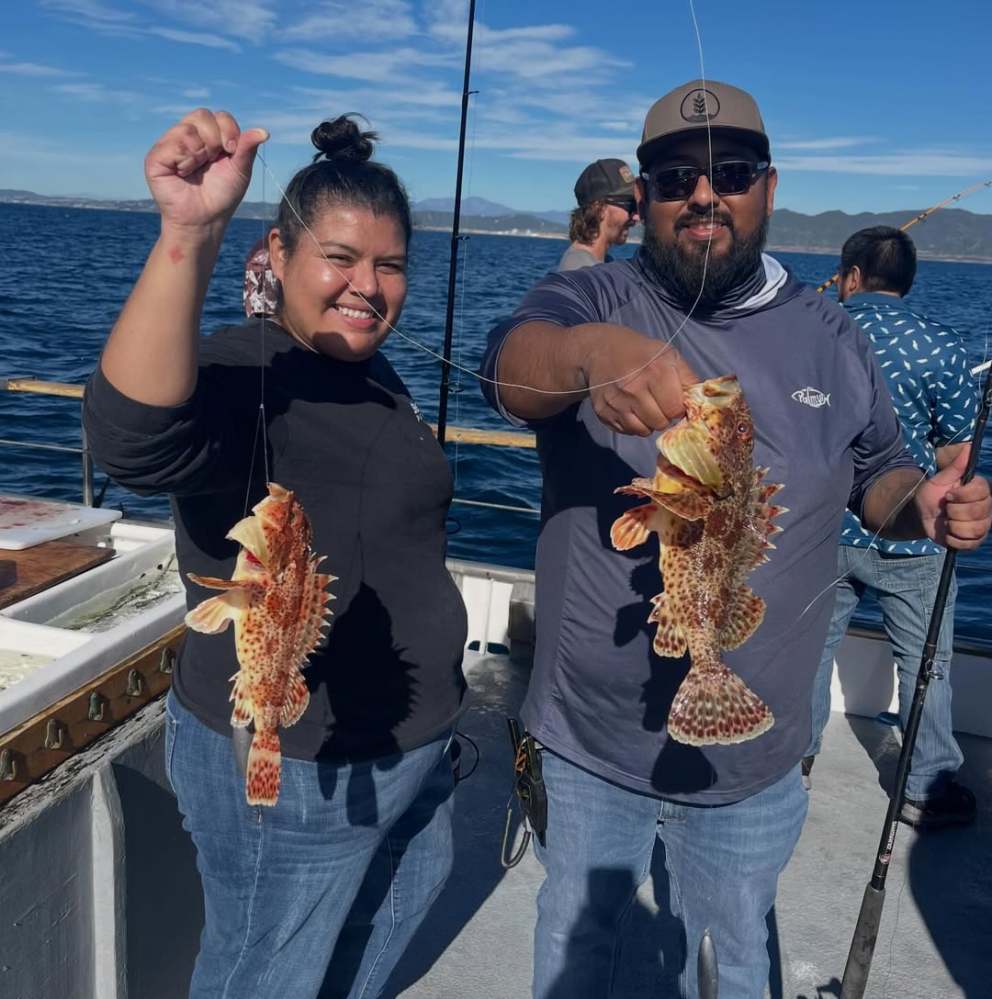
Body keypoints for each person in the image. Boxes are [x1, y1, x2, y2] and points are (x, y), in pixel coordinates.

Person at [479, 79, 992, 999]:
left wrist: (925, 504)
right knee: (581, 957)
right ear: (643, 198)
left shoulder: (832, 332)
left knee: (737, 958)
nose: (704, 193)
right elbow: (511, 366)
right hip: (589, 744)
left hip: (756, 756)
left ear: (767, 184)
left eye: (732, 171)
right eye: (677, 177)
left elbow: (879, 475)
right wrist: (589, 355)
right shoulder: (589, 293)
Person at [83, 109, 468, 999]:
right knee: (266, 973)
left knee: (392, 915)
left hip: (413, 746)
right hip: (291, 761)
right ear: (279, 256)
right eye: (339, 257)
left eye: (391, 264)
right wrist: (188, 232)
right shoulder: (239, 372)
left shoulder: (374, 373)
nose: (366, 285)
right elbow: (132, 438)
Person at [805, 226, 978, 826]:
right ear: (908, 282)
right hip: (911, 532)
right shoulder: (944, 347)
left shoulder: (813, 338)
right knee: (926, 662)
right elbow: (958, 461)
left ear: (850, 277)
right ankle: (925, 785)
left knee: (810, 651)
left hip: (821, 531)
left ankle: (793, 762)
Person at [558, 158, 639, 271]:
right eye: (631, 206)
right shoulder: (581, 270)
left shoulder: (603, 262)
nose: (637, 216)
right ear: (599, 209)